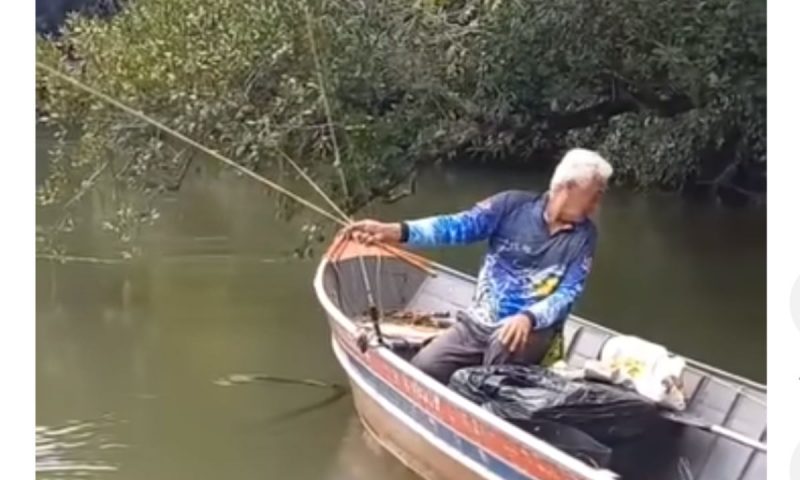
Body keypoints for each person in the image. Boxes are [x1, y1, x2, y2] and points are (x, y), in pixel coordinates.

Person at [342, 148, 613, 383]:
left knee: (495, 365)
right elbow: (457, 226)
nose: (597, 203)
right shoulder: (510, 205)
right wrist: (396, 231)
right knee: (425, 368)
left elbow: (568, 294)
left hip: (530, 331)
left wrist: (528, 317)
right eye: (595, 194)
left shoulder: (584, 237)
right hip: (478, 323)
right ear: (568, 187)